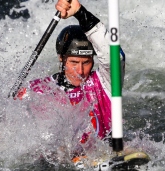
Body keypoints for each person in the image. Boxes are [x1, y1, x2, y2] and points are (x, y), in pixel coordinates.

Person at [15, 0, 126, 163]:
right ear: (61, 59)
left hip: (103, 154)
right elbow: (12, 125)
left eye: (86, 62)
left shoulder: (104, 83)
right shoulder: (37, 90)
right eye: (74, 63)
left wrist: (81, 13)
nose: (80, 71)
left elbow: (114, 57)